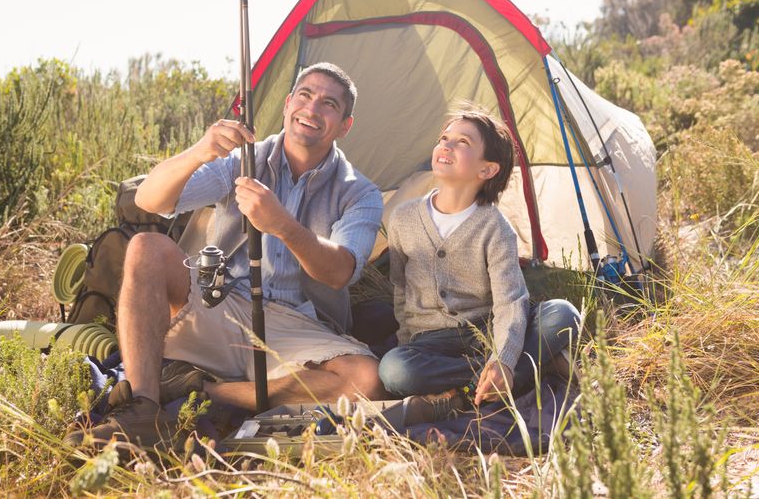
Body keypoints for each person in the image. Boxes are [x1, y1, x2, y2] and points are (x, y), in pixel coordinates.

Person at [66, 62, 387, 449]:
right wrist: (199, 151)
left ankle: (202, 389)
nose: (312, 109)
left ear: (345, 125)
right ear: (287, 105)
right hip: (219, 301)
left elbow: (340, 272)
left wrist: (283, 225)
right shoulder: (242, 161)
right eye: (305, 95)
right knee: (146, 248)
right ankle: (143, 408)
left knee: (366, 378)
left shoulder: (360, 192)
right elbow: (150, 200)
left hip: (298, 326)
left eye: (329, 104)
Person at [377, 107, 580, 425]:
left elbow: (510, 303)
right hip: (429, 341)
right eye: (444, 138)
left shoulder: (495, 227)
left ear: (486, 170)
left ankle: (467, 393)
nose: (446, 145)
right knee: (394, 370)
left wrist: (502, 357)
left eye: (462, 142)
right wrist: (406, 339)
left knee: (564, 314)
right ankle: (524, 370)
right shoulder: (403, 218)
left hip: (486, 330)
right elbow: (401, 288)